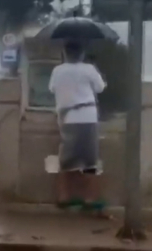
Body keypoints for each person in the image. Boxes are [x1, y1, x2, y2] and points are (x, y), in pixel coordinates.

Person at [48, 40, 106, 212]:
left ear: (65, 54)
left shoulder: (57, 70)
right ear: (82, 54)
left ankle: (63, 197)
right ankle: (90, 199)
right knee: (90, 160)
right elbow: (101, 88)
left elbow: (52, 89)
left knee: (66, 160)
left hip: (68, 118)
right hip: (88, 116)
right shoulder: (89, 69)